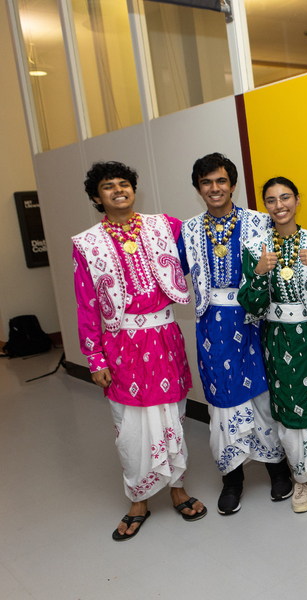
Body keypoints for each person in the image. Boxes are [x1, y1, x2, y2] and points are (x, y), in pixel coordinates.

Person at [73, 161, 206, 541]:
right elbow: (86, 306)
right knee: (129, 427)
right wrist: (95, 358)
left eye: (124, 183)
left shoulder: (165, 226)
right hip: (120, 346)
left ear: (134, 188)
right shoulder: (88, 243)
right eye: (107, 186)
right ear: (97, 197)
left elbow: (205, 239)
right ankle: (138, 498)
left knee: (172, 417)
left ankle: (178, 488)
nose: (118, 190)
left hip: (164, 338)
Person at [178, 153, 292, 515]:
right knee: (222, 401)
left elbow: (290, 247)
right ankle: (233, 479)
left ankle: (278, 470)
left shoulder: (259, 222)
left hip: (255, 319)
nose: (215, 188)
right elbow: (169, 270)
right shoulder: (190, 230)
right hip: (211, 323)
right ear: (199, 188)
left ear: (232, 184)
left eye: (221, 181)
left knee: (262, 395)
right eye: (207, 182)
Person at [238, 176, 307, 513]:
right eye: (271, 200)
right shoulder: (256, 248)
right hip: (279, 340)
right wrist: (259, 272)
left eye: (285, 197)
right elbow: (251, 305)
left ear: (297, 200)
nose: (280, 205)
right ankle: (300, 480)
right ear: (266, 206)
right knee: (290, 409)